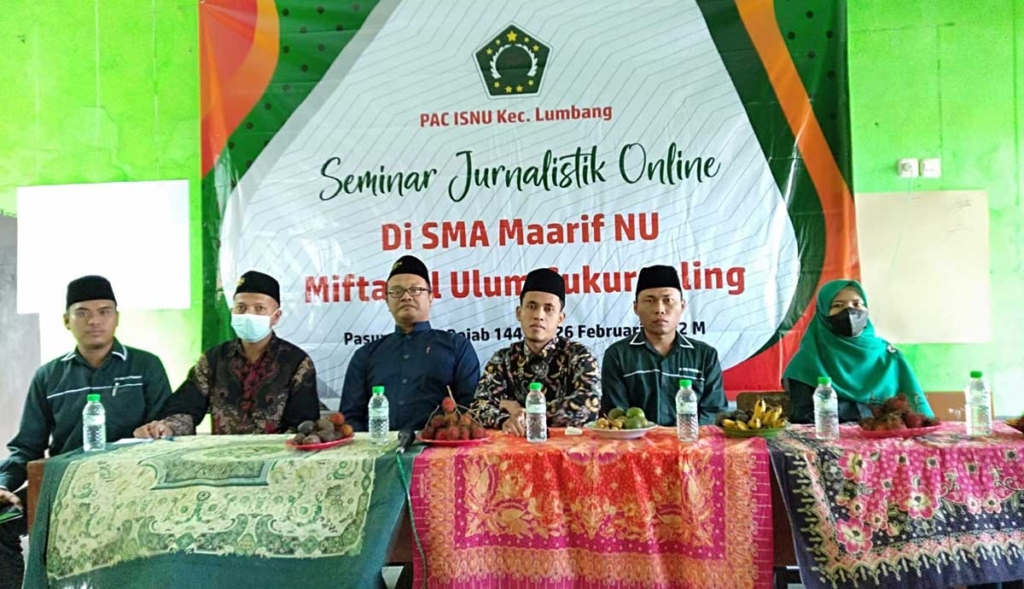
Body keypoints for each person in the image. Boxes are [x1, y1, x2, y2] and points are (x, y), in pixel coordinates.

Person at [0, 276, 172, 589]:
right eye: (82, 313)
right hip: (62, 488)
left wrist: (157, 431)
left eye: (104, 311)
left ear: (117, 317)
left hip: (133, 486)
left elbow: (166, 433)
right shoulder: (49, 376)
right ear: (66, 321)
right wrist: (2, 484)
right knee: (1, 521)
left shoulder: (145, 367)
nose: (94, 321)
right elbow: (26, 447)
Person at [134, 271, 319, 437]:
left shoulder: (296, 362)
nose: (249, 314)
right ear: (232, 312)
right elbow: (186, 407)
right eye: (241, 308)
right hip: (221, 457)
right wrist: (167, 428)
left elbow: (303, 425)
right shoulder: (214, 359)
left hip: (277, 458)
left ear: (276, 317)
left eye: (259, 308)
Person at [341, 255, 480, 432]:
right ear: (386, 301)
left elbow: (471, 410)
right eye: (396, 291)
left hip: (441, 446)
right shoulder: (366, 354)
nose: (406, 297)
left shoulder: (457, 347)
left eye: (415, 290)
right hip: (378, 446)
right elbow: (350, 418)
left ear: (431, 297)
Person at [782, 279, 933, 424]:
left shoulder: (890, 357)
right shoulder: (806, 362)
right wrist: (866, 413)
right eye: (838, 305)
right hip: (830, 439)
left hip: (890, 437)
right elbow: (805, 417)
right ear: (823, 314)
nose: (849, 311)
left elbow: (914, 415)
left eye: (857, 304)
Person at [472, 268, 600, 434]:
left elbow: (589, 405)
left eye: (548, 309)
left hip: (570, 447)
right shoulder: (503, 359)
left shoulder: (579, 355)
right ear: (519, 313)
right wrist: (503, 419)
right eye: (532, 306)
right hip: (514, 446)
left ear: (560, 319)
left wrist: (521, 412)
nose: (539, 315)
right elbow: (477, 407)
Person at [601, 265, 726, 426]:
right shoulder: (618, 355)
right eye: (650, 301)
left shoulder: (705, 355)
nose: (659, 309)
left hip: (691, 440)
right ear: (636, 308)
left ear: (682, 306)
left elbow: (714, 411)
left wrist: (678, 434)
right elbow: (616, 414)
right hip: (636, 441)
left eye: (668, 300)